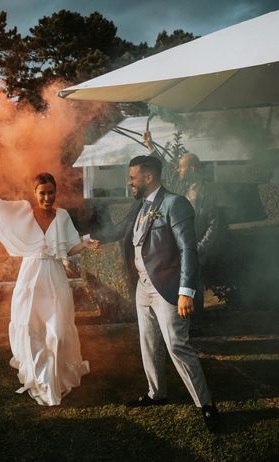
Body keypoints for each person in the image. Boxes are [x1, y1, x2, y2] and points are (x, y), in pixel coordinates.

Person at [93, 155, 220, 433]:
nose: (129, 183)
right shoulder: (140, 205)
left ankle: (207, 406)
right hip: (142, 287)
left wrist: (186, 292)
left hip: (168, 287)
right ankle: (156, 394)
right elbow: (120, 230)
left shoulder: (176, 204)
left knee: (177, 346)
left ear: (148, 177)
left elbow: (189, 250)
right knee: (148, 342)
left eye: (133, 177)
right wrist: (93, 239)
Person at [0, 161, 98, 406]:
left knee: (59, 331)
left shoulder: (62, 216)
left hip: (54, 277)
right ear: (35, 193)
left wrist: (84, 245)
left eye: (51, 192)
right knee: (32, 330)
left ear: (56, 192)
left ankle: (58, 377)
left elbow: (69, 246)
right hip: (30, 278)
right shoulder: (23, 212)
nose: (47, 197)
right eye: (42, 193)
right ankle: (41, 381)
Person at [143, 133, 221, 335]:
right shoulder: (181, 187)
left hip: (195, 248)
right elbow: (167, 172)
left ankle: (196, 326)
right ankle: (185, 323)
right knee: (183, 283)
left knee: (194, 284)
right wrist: (151, 146)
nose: (178, 170)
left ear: (192, 169)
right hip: (182, 247)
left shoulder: (207, 193)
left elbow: (215, 224)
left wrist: (199, 248)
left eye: (182, 167)